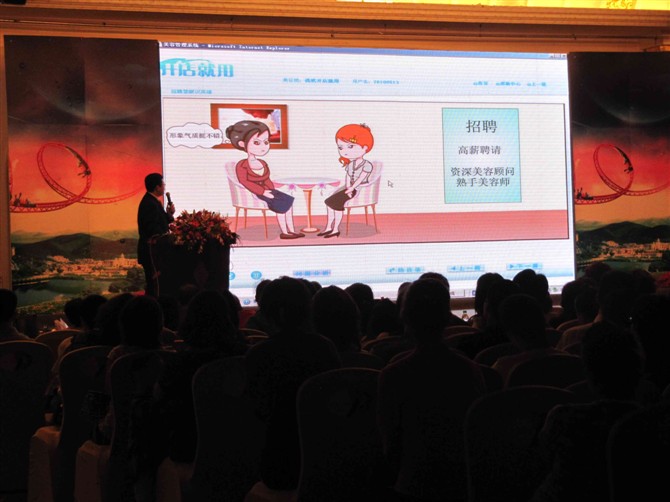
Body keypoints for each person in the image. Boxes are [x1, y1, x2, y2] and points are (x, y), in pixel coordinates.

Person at [377, 278, 485, 501]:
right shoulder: (470, 370)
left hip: (410, 484)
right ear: (447, 317)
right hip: (460, 486)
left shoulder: (393, 375)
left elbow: (390, 446)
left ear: (405, 316)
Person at [226, 120, 303, 240]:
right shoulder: (242, 165)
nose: (263, 146)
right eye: (257, 142)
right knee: (282, 206)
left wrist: (272, 190)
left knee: (289, 202)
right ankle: (285, 232)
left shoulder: (262, 163)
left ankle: (292, 230)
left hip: (269, 191)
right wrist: (262, 192)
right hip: (255, 193)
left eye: (266, 142)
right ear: (242, 144)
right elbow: (244, 182)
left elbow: (267, 179)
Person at [321, 123, 375, 238]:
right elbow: (348, 177)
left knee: (335, 204)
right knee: (328, 202)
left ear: (365, 147)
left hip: (359, 190)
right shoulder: (350, 164)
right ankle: (328, 227)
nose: (345, 151)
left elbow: (360, 179)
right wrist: (347, 187)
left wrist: (351, 188)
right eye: (341, 147)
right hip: (349, 189)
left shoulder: (367, 165)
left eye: (350, 146)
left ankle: (335, 229)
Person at [137, 172, 175, 296]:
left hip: (155, 251)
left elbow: (163, 221)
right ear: (157, 187)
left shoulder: (153, 202)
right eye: (163, 185)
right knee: (153, 285)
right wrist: (165, 236)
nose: (164, 187)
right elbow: (152, 229)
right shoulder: (149, 203)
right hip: (151, 252)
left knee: (156, 284)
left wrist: (169, 214)